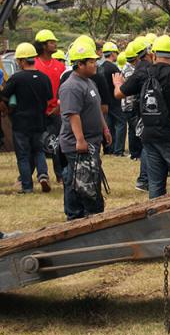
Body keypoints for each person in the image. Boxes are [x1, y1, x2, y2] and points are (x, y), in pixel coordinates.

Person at [113, 35, 170, 199]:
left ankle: (157, 220)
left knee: (156, 185)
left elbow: (119, 94)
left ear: (153, 55)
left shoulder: (142, 74)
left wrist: (118, 83)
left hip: (150, 135)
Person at [59, 38, 111, 220]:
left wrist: (105, 129)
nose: (95, 64)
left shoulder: (89, 82)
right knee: (79, 180)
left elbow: (95, 109)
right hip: (78, 143)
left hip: (92, 140)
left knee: (88, 177)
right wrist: (80, 139)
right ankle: (75, 215)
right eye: (91, 62)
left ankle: (88, 213)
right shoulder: (71, 87)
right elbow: (73, 115)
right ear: (79, 64)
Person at [2, 43, 52, 193]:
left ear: (22, 61)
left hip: (21, 123)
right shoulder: (44, 78)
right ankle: (43, 175)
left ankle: (27, 186)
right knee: (39, 151)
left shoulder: (16, 78)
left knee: (23, 155)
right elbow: (49, 100)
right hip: (39, 121)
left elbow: (3, 96)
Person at [34, 29, 65, 184]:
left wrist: (59, 107)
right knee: (36, 144)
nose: (55, 44)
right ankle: (40, 175)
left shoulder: (60, 66)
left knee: (58, 144)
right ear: (43, 45)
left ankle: (60, 175)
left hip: (56, 112)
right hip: (39, 113)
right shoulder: (34, 64)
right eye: (52, 42)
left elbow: (63, 89)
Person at [119, 38, 150, 191]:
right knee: (148, 145)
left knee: (143, 140)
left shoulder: (136, 71)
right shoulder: (144, 70)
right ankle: (144, 179)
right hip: (143, 111)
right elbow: (120, 92)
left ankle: (145, 179)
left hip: (139, 110)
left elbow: (120, 92)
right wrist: (117, 85)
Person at [100, 42, 126, 156]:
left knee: (108, 125)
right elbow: (122, 82)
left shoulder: (101, 67)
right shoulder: (113, 68)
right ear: (112, 54)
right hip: (115, 101)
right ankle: (118, 150)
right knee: (121, 123)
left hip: (104, 102)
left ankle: (109, 148)